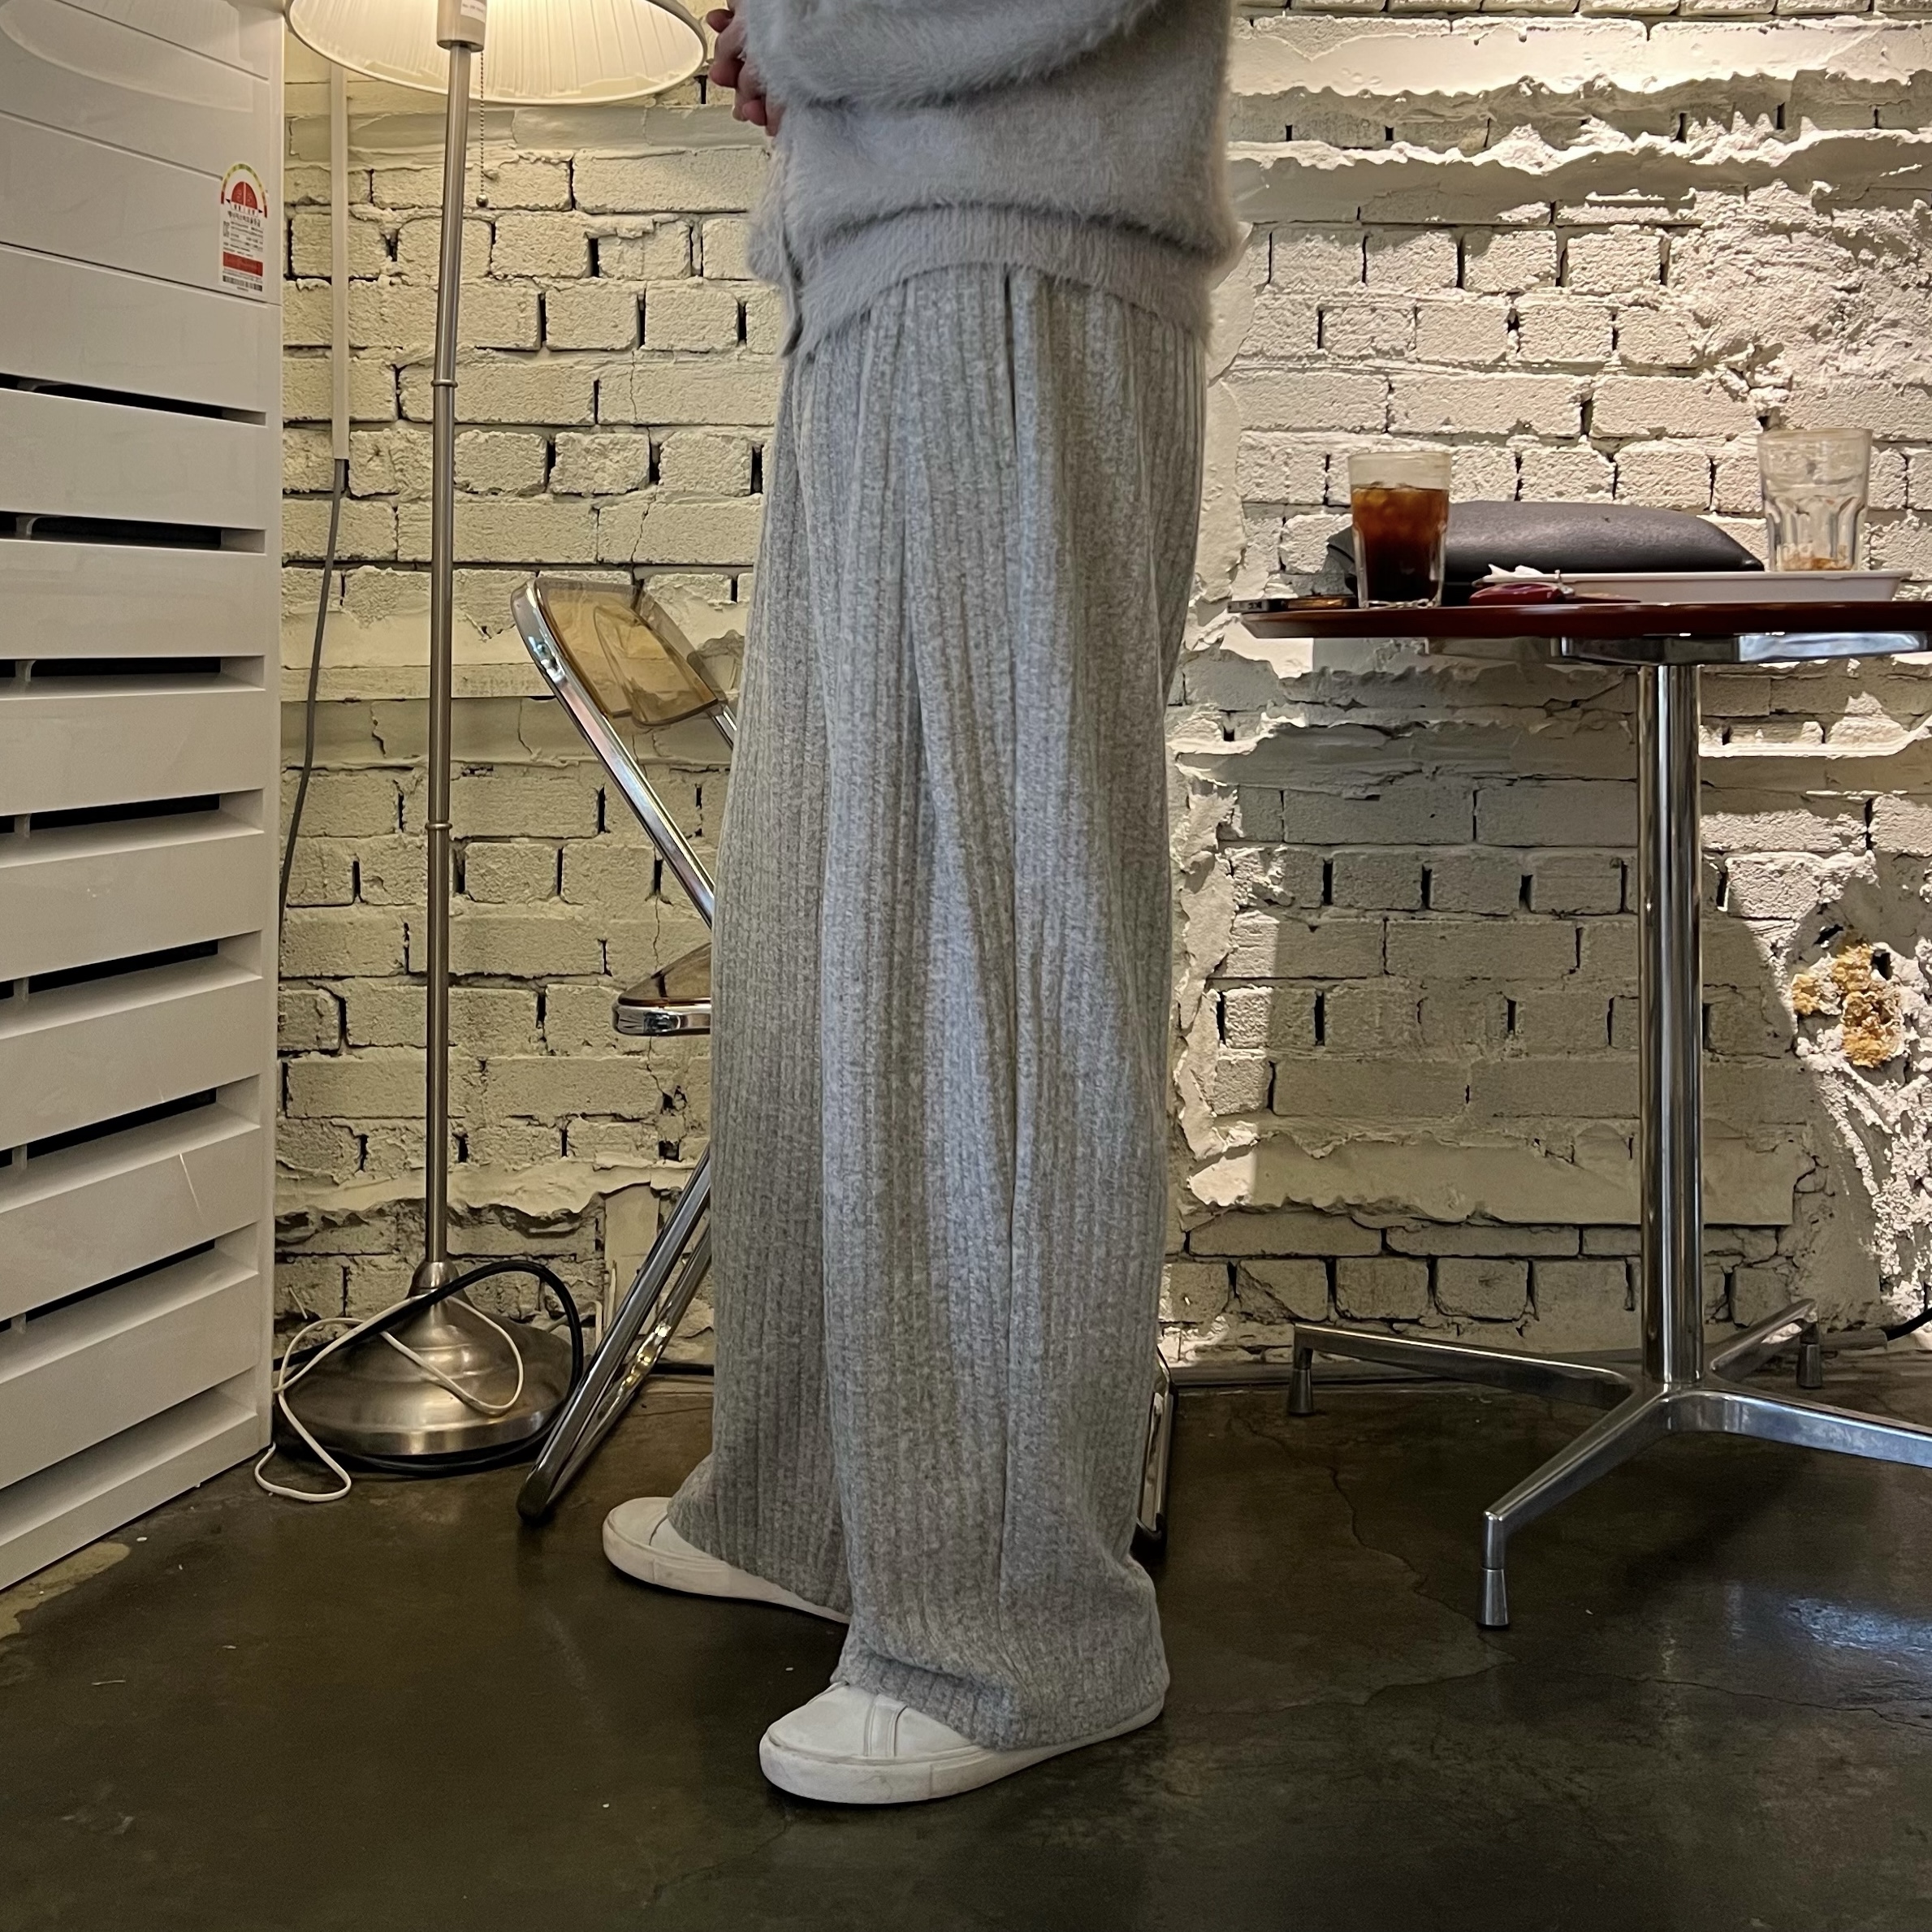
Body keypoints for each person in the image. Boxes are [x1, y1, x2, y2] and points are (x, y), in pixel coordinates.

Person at [603, 0, 1237, 1805]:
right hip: (888, 271)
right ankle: (811, 1508)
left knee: (992, 944)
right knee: (821, 933)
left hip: (1016, 261)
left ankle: (1022, 1626)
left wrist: (801, 25)